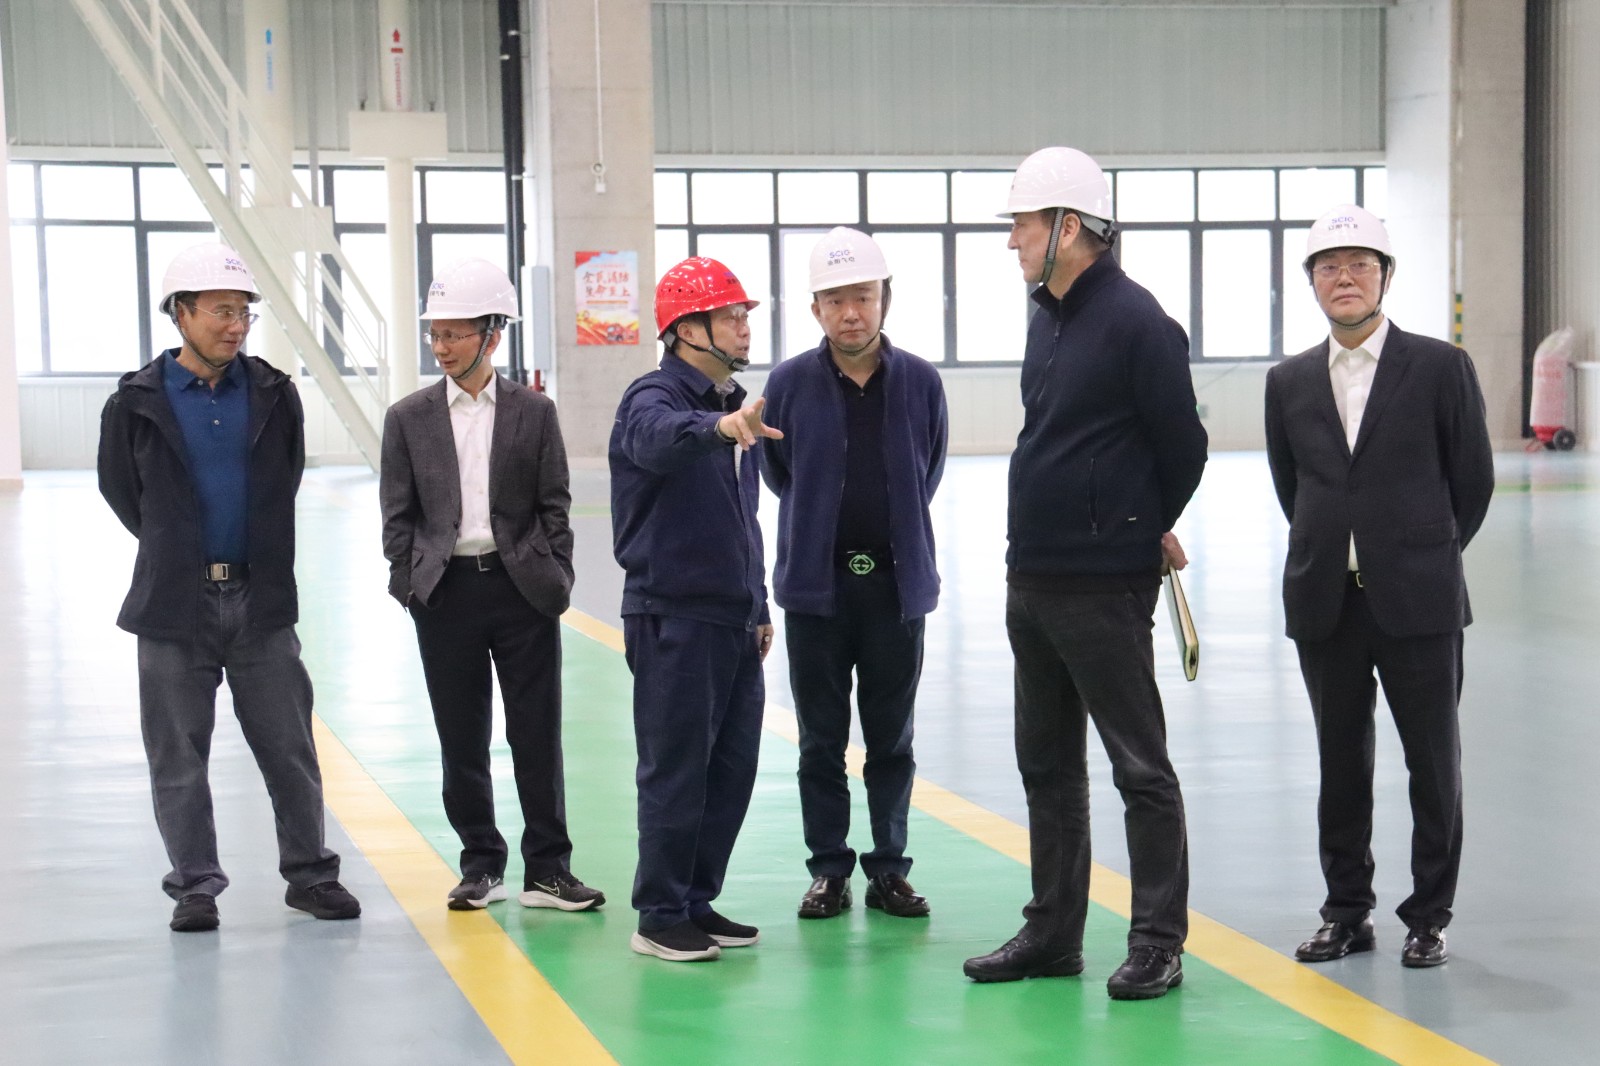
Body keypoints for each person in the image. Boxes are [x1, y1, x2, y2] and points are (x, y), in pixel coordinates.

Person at [962, 147, 1207, 1000]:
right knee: (1047, 768)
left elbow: (1184, 446)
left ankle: (1158, 942)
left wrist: (1135, 528)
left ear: (1068, 228)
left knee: (1139, 768)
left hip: (1104, 583)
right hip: (1033, 575)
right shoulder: (1048, 316)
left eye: (1023, 225)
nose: (1013, 242)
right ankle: (1054, 933)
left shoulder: (1140, 324)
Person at [97, 242, 361, 932]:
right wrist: (178, 546)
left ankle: (310, 876)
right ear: (180, 314)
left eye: (243, 312)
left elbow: (284, 478)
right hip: (172, 605)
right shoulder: (135, 401)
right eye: (220, 311)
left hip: (260, 601)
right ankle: (195, 887)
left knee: (289, 748)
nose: (236, 325)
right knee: (177, 755)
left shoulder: (274, 394)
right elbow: (122, 491)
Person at [1265, 205, 1494, 969]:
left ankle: (1428, 916)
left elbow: (1472, 483)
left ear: (1386, 277)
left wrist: (1420, 553)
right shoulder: (1288, 381)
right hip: (1327, 600)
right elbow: (1293, 487)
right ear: (1311, 283)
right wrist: (1338, 547)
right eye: (1329, 267)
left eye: (1361, 264)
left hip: (1419, 599)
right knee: (1340, 763)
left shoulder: (1439, 367)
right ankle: (1346, 912)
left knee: (1432, 763)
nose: (1345, 278)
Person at [380, 258, 602, 915]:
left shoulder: (535, 412)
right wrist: (409, 584)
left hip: (522, 590)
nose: (442, 346)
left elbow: (555, 505)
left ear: (493, 335)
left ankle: (549, 871)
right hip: (445, 593)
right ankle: (480, 865)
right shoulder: (408, 417)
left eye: (455, 333)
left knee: (537, 735)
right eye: (436, 334)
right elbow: (397, 515)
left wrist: (556, 576)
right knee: (461, 737)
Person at [760, 227, 947, 921]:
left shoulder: (920, 382)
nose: (850, 313)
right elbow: (780, 474)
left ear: (883, 299)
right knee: (820, 740)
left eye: (863, 297)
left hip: (896, 589)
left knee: (892, 739)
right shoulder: (787, 385)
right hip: (819, 590)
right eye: (835, 300)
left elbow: (928, 468)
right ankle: (829, 869)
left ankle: (889, 867)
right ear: (815, 308)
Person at [609, 257, 780, 962]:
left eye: (744, 315)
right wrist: (719, 429)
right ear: (686, 329)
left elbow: (744, 519)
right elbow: (658, 440)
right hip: (673, 615)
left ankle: (695, 901)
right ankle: (658, 913)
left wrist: (758, 602)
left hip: (732, 616)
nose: (744, 327)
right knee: (676, 769)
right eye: (730, 315)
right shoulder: (653, 397)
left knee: (730, 770)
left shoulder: (730, 403)